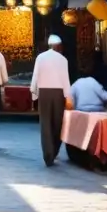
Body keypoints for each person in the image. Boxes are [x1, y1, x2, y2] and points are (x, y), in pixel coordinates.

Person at [31, 35, 73, 166]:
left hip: (44, 93)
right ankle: (53, 152)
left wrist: (34, 93)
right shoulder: (63, 59)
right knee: (57, 123)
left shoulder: (40, 57)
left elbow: (35, 75)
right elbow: (66, 79)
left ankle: (48, 155)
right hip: (58, 94)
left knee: (45, 124)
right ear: (58, 45)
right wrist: (68, 97)